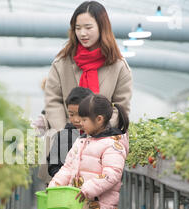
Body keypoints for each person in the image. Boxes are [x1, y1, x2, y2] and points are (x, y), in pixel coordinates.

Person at [44, 1, 132, 132]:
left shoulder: (118, 66)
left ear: (102, 28)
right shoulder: (62, 63)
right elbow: (53, 101)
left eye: (88, 27)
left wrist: (97, 129)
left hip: (104, 140)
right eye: (78, 28)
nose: (82, 33)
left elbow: (121, 107)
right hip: (65, 139)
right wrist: (64, 132)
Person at [46, 87, 94, 209]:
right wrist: (63, 179)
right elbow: (53, 165)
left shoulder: (99, 137)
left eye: (79, 114)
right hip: (66, 195)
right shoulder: (63, 137)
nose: (75, 119)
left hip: (90, 194)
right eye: (71, 114)